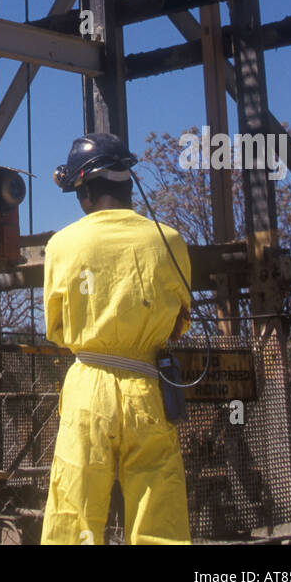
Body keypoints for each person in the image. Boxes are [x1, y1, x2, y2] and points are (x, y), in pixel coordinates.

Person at [40, 131, 191, 545]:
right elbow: (181, 319)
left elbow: (55, 328)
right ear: (128, 185)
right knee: (158, 504)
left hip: (89, 385)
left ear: (85, 190)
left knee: (75, 503)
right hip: (149, 385)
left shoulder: (61, 245)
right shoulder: (170, 241)